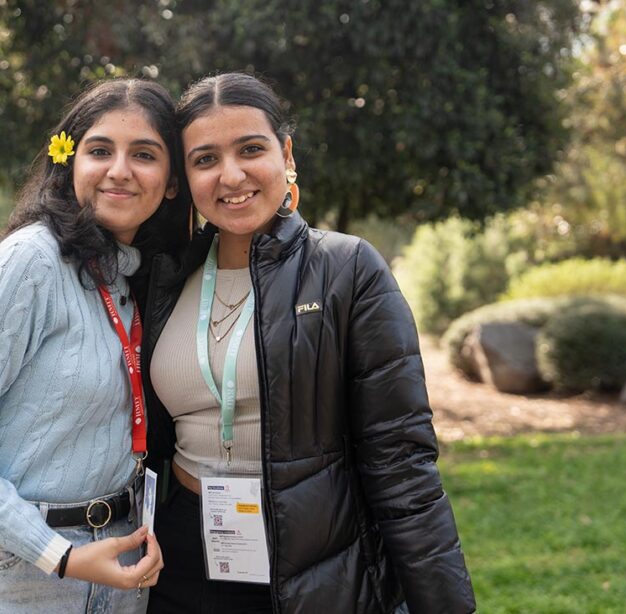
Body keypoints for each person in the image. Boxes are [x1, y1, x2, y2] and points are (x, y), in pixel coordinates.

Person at [140, 73, 476, 613]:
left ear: (286, 153)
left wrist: (444, 604)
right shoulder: (164, 276)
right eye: (205, 159)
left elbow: (401, 461)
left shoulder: (346, 269)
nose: (231, 175)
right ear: (185, 176)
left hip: (309, 563)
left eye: (251, 149)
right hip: (178, 557)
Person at [0, 78, 192, 613]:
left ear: (170, 183)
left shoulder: (134, 276)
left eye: (144, 154)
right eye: (99, 150)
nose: (119, 169)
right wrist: (62, 556)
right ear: (69, 164)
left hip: (118, 560)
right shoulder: (32, 261)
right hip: (15, 570)